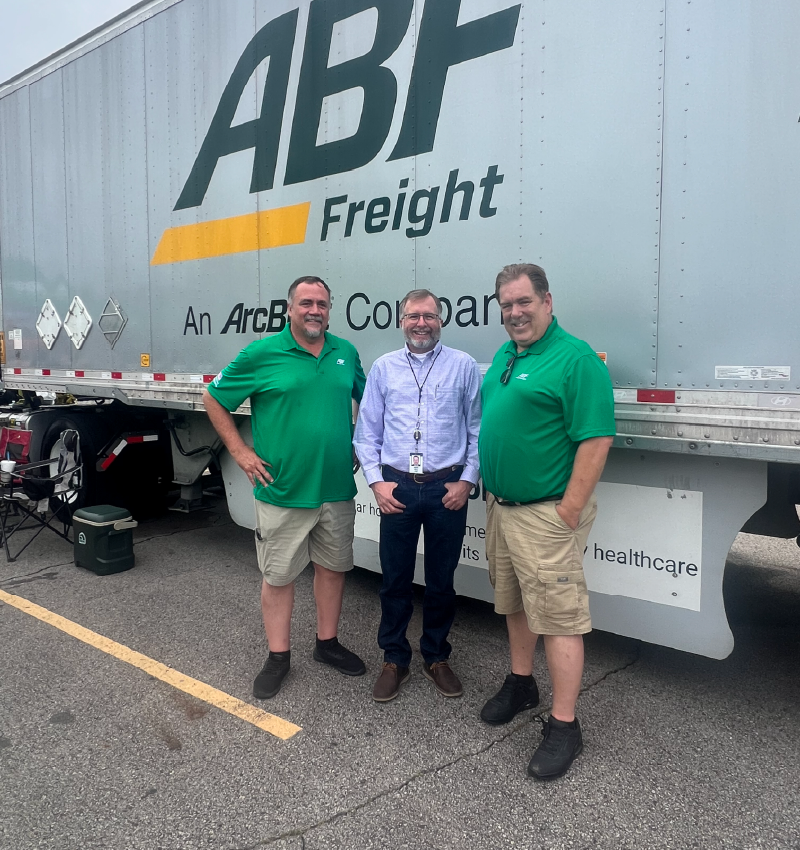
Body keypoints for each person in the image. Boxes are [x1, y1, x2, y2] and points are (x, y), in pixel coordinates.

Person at [478, 263, 615, 780]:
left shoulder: (575, 359)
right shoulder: (508, 354)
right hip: (503, 509)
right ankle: (521, 683)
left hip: (545, 514)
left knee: (559, 619)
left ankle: (564, 725)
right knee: (515, 603)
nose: (515, 313)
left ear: (547, 301)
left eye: (524, 302)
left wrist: (567, 513)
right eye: (506, 305)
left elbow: (596, 439)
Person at [203, 276, 367, 699]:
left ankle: (327, 644)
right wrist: (239, 451)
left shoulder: (345, 353)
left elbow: (371, 401)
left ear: (330, 310)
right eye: (306, 303)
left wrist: (360, 441)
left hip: (335, 488)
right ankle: (278, 656)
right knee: (278, 576)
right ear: (290, 308)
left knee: (333, 569)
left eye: (322, 304)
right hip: (282, 489)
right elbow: (213, 398)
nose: (315, 311)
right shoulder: (262, 354)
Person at [354, 289, 481, 702]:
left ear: (440, 320)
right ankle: (394, 659)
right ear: (401, 321)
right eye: (413, 316)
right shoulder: (384, 367)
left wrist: (467, 480)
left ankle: (436, 656)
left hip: (447, 488)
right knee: (394, 580)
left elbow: (478, 429)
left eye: (429, 316)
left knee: (441, 581)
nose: (421, 323)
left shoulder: (463, 366)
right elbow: (366, 432)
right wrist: (377, 483)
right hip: (398, 488)